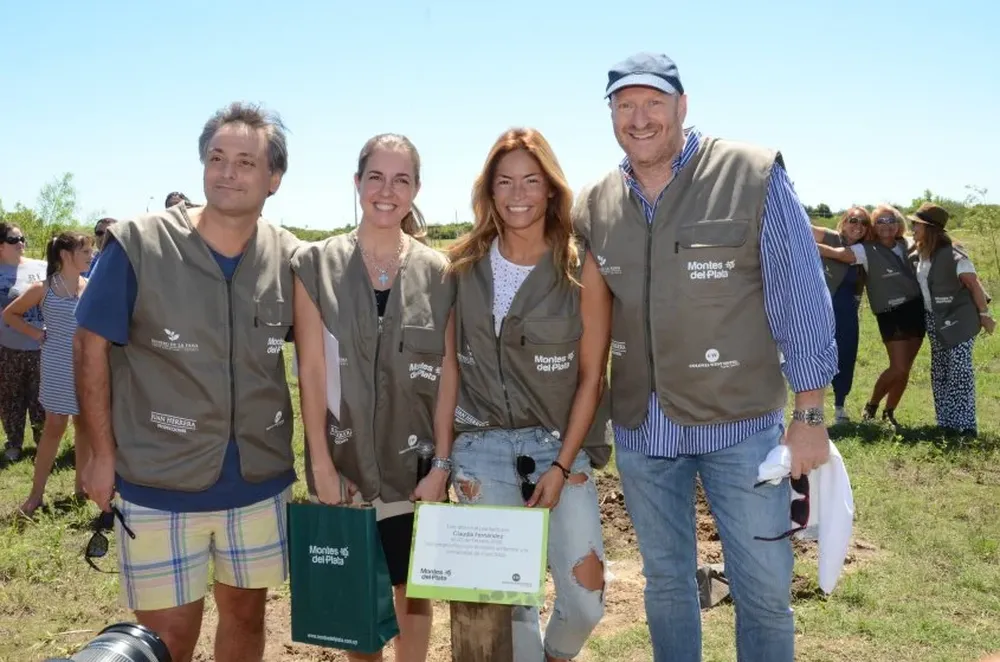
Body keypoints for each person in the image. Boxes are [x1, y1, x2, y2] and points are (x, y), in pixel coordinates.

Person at [572, 52, 837, 662]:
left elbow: (798, 293)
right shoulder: (597, 201)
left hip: (740, 428)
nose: (639, 119)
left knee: (764, 590)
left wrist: (810, 415)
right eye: (624, 105)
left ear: (682, 106)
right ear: (611, 114)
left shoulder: (751, 172)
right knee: (666, 586)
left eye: (653, 103)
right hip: (643, 434)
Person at [73, 102, 300, 662]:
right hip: (158, 483)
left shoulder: (290, 255)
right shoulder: (138, 244)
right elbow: (88, 346)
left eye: (246, 162)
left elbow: (326, 355)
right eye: (216, 157)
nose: (227, 172)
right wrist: (100, 454)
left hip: (257, 480)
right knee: (168, 639)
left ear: (273, 178)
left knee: (247, 621)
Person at [443, 128, 612, 661]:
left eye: (531, 181)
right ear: (489, 192)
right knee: (509, 610)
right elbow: (448, 368)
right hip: (480, 452)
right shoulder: (460, 267)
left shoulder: (582, 267)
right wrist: (443, 458)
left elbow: (592, 378)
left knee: (586, 603)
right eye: (505, 182)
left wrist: (561, 467)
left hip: (559, 450)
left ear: (551, 190)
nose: (518, 194)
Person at [292, 133, 455, 662]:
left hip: (416, 469)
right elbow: (312, 370)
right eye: (376, 178)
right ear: (357, 183)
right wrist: (320, 462)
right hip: (346, 465)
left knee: (414, 593)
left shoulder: (440, 273)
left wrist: (442, 466)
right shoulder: (315, 265)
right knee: (356, 598)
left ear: (416, 189)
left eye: (401, 179)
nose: (387, 191)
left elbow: (449, 373)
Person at [5, 232, 93, 515]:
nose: (90, 256)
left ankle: (81, 488)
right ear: (66, 256)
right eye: (86, 251)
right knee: (54, 427)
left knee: (84, 427)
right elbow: (10, 314)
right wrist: (36, 334)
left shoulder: (89, 286)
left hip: (86, 367)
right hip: (56, 365)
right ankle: (35, 496)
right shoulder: (43, 288)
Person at [818, 204, 924, 427]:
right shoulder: (861, 248)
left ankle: (888, 411)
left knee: (903, 368)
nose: (886, 226)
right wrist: (803, 243)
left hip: (913, 310)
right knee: (899, 366)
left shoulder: (908, 244)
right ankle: (870, 406)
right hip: (885, 312)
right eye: (880, 222)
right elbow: (835, 252)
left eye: (891, 220)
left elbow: (932, 246)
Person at [908, 202, 994, 435]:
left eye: (916, 224)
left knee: (959, 370)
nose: (912, 227)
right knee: (941, 370)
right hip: (935, 320)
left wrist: (985, 315)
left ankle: (966, 426)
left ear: (929, 227)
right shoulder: (921, 250)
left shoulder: (955, 253)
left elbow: (973, 284)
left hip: (960, 320)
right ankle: (946, 422)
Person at [812, 207, 870, 423]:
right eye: (854, 220)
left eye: (864, 223)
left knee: (845, 357)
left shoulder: (864, 249)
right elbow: (801, 227)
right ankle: (812, 410)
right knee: (814, 356)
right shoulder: (831, 236)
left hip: (846, 312)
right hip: (817, 309)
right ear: (843, 222)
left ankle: (839, 407)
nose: (858, 226)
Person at [0, 223, 46, 463]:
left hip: (40, 346)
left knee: (41, 399)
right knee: (10, 398)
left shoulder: (41, 267)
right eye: (13, 239)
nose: (20, 242)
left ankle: (43, 445)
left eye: (22, 238)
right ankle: (14, 444)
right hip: (5, 348)